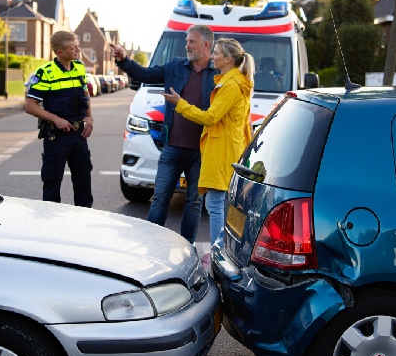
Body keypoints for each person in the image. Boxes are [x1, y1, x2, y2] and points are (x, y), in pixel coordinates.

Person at [110, 25, 217, 244]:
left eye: (191, 42)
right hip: (173, 147)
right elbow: (145, 75)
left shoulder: (219, 74)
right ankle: (152, 244)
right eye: (186, 41)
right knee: (159, 199)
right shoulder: (175, 66)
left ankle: (187, 246)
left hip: (201, 150)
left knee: (194, 203)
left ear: (206, 45)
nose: (186, 45)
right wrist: (124, 60)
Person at [161, 38, 254, 247]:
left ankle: (218, 252)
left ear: (228, 59)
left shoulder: (231, 85)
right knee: (221, 204)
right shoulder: (235, 81)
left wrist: (180, 104)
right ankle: (222, 249)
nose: (212, 56)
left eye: (216, 53)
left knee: (215, 204)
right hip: (229, 148)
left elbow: (211, 117)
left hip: (222, 151)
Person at [26, 31, 94, 207]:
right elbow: (30, 105)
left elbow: (85, 95)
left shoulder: (79, 67)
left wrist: (90, 118)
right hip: (56, 136)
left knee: (84, 183)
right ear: (61, 52)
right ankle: (51, 225)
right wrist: (56, 119)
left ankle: (83, 223)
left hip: (79, 135)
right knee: (52, 182)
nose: (79, 49)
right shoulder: (45, 73)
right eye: (74, 47)